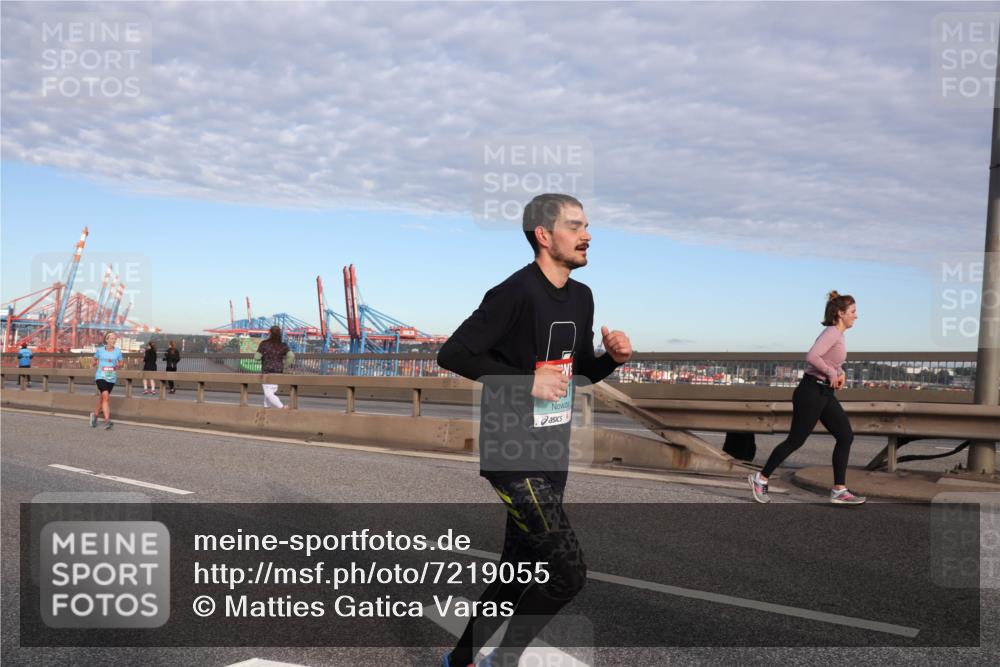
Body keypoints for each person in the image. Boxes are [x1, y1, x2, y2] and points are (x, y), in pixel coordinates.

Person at [437, 194, 632, 667]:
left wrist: (612, 359)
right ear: (544, 236)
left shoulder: (582, 297)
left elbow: (579, 373)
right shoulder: (515, 292)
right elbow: (453, 354)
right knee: (567, 574)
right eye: (575, 226)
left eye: (586, 225)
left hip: (552, 448)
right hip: (512, 452)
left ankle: (458, 662)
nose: (587, 235)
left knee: (517, 573)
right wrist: (526, 382)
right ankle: (502, 662)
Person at [749, 291, 866, 505]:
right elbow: (812, 356)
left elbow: (830, 359)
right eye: (853, 311)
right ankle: (761, 478)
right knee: (796, 440)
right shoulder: (831, 332)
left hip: (824, 393)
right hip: (811, 392)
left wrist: (840, 371)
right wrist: (831, 373)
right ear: (840, 313)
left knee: (845, 436)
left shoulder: (838, 335)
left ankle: (839, 490)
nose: (856, 316)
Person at [90, 332, 123, 430]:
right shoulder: (100, 350)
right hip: (100, 376)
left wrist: (118, 365)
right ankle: (107, 420)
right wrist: (94, 363)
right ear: (107, 340)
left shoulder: (117, 351)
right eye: (112, 338)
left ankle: (95, 415)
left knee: (103, 399)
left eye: (115, 339)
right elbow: (94, 359)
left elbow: (121, 363)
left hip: (111, 377)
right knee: (106, 397)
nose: (114, 340)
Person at [255, 326, 294, 409]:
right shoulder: (283, 345)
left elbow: (256, 358)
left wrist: (262, 356)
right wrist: (285, 365)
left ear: (270, 333)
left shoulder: (264, 344)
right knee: (269, 393)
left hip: (266, 371)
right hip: (278, 371)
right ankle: (266, 411)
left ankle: (282, 407)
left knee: (268, 394)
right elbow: (291, 356)